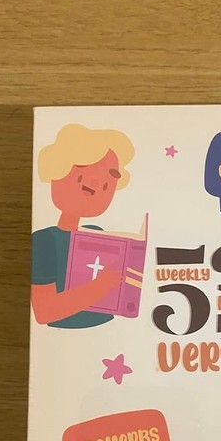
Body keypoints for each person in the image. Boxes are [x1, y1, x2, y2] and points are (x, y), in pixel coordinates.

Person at [31, 123, 135, 329]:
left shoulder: (96, 233)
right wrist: (99, 287)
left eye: (107, 183)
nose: (97, 184)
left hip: (110, 331)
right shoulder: (44, 241)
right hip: (62, 337)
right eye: (83, 173)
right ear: (58, 170)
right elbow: (44, 312)